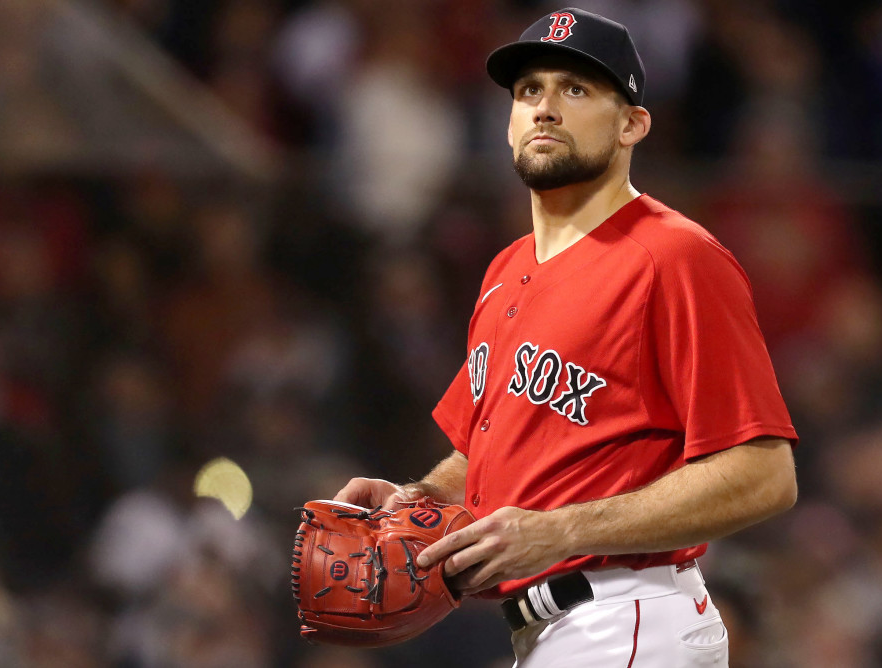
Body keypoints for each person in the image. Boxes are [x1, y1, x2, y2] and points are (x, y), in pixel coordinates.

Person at [334, 8, 798, 667]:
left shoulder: (673, 257)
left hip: (627, 613)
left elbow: (764, 474)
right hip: (553, 631)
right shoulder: (504, 272)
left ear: (632, 123)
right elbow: (494, 458)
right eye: (529, 91)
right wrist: (421, 500)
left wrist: (559, 531)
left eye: (575, 89)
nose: (545, 107)